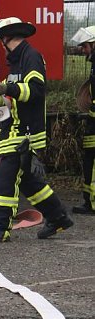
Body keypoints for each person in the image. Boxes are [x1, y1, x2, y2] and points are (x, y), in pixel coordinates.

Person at [0, 17, 73, 243]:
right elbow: (11, 95)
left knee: (5, 180)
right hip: (13, 132)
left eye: (0, 40)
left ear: (6, 38)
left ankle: (1, 229)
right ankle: (58, 216)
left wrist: (7, 87)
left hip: (23, 134)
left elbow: (35, 90)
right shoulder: (17, 62)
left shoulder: (30, 57)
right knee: (28, 182)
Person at [70, 25, 95, 214]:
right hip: (92, 122)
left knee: (92, 163)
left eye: (85, 46)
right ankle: (88, 201)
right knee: (89, 161)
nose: (83, 50)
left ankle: (91, 203)